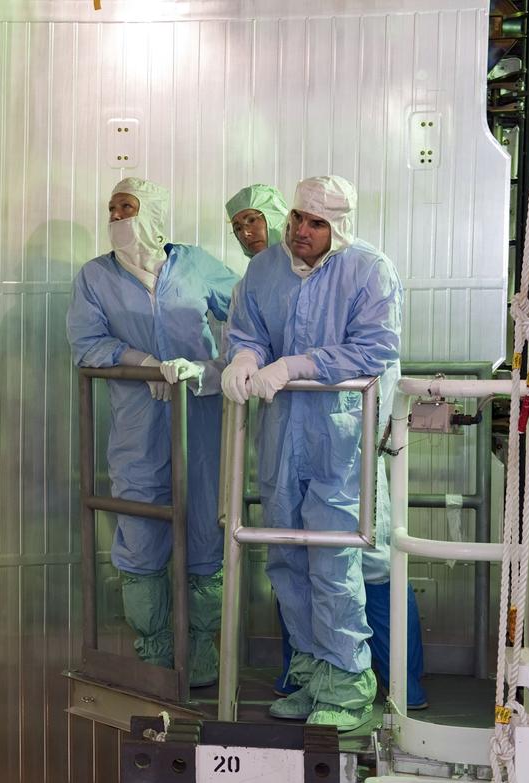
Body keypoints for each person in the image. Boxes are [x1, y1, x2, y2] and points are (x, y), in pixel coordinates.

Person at [224, 184, 429, 709]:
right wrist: (244, 359)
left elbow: (375, 348)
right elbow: (247, 329)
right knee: (286, 557)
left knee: (335, 560)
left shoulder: (368, 270)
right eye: (296, 218)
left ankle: (348, 684)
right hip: (280, 436)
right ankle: (314, 675)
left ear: (337, 227)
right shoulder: (265, 270)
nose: (300, 231)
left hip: (341, 440)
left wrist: (296, 365)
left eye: (315, 223)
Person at [67, 177, 238, 687]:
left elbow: (249, 317)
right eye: (112, 208)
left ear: (155, 214)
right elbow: (86, 342)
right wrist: (144, 364)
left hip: (201, 420)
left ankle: (202, 650)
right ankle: (157, 650)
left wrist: (211, 370)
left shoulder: (195, 265)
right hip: (138, 427)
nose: (117, 217)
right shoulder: (95, 276)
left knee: (204, 528)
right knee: (140, 535)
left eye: (128, 207)